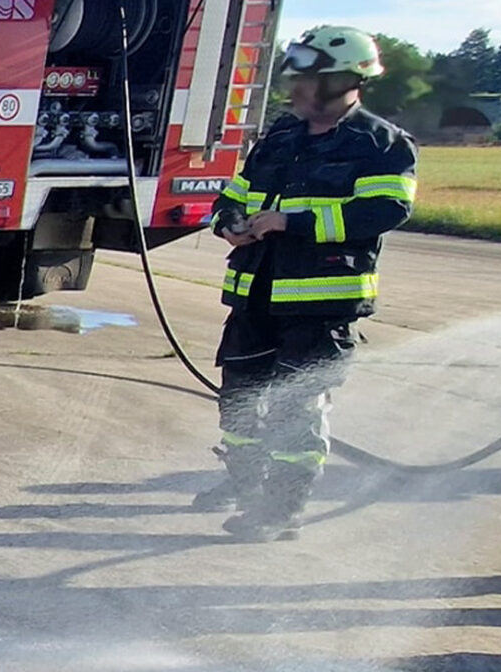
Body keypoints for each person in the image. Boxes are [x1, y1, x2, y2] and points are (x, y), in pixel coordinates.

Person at [193, 26, 418, 542]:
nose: (294, 88)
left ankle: (281, 509)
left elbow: (386, 209)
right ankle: (248, 490)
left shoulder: (380, 144)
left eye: (308, 79)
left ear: (344, 80)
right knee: (238, 402)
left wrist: (294, 222)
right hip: (255, 295)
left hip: (322, 304)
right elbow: (236, 194)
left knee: (297, 411)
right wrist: (228, 222)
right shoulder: (279, 137)